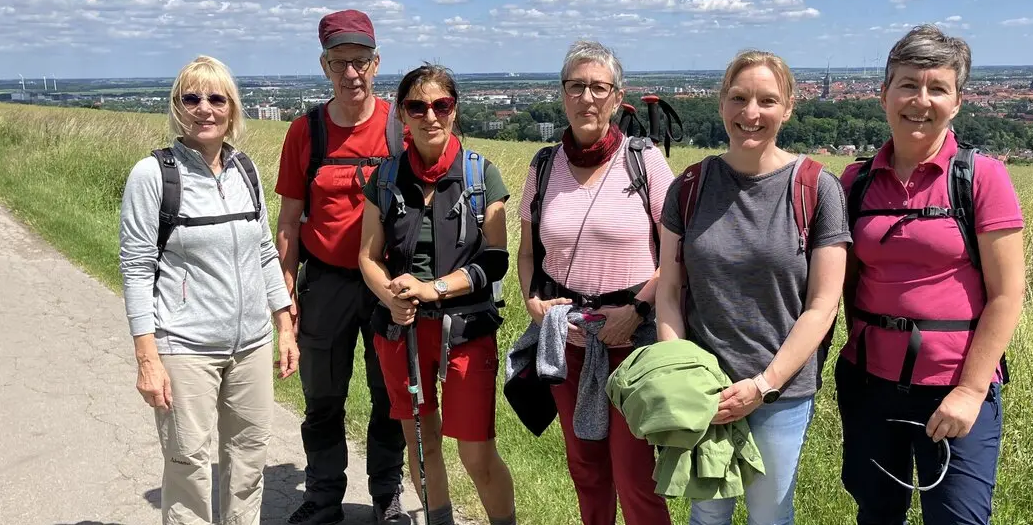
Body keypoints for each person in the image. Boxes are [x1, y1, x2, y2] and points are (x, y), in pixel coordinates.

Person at [836, 24, 1025, 525]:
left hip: (954, 385)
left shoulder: (981, 177)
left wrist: (970, 390)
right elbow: (840, 283)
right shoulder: (854, 181)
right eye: (907, 85)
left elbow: (1008, 295)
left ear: (957, 101)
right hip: (869, 381)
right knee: (876, 514)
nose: (920, 100)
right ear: (883, 94)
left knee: (958, 520)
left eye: (937, 88)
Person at [655, 50, 851, 525]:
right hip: (704, 390)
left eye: (767, 100)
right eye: (739, 98)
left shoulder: (815, 188)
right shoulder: (689, 186)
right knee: (707, 514)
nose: (751, 113)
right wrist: (684, 377)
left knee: (770, 516)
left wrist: (763, 386)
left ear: (788, 108)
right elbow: (668, 289)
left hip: (780, 392)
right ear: (721, 103)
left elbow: (822, 306)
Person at [118, 55, 299, 524]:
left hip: (252, 345)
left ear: (232, 109)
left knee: (249, 464)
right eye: (191, 98)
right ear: (177, 107)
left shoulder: (245, 171)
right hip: (184, 347)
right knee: (189, 467)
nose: (205, 108)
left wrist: (283, 324)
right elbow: (137, 268)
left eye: (216, 98)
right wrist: (147, 358)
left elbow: (263, 251)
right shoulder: (153, 175)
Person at [515, 40, 675, 525]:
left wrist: (639, 310)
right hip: (569, 339)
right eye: (576, 86)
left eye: (599, 88)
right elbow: (527, 254)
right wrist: (533, 303)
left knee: (635, 476)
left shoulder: (644, 161)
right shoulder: (543, 167)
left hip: (635, 341)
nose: (587, 98)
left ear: (617, 96)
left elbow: (677, 254)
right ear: (562, 95)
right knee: (585, 469)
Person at [360, 64, 516, 525]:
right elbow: (368, 256)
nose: (430, 115)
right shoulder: (386, 179)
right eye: (417, 106)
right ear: (403, 116)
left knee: (476, 453)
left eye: (441, 105)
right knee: (421, 445)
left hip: (465, 330)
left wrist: (432, 289)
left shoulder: (480, 175)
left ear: (454, 110)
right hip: (402, 328)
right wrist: (391, 297)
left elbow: (495, 262)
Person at [274, 10, 407, 525]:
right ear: (324, 65)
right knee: (323, 399)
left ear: (377, 63)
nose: (351, 74)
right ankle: (324, 496)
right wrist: (286, 295)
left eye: (361, 62)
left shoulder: (400, 125)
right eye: (339, 63)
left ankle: (386, 495)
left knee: (389, 396)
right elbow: (288, 221)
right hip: (325, 282)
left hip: (387, 285)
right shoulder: (305, 131)